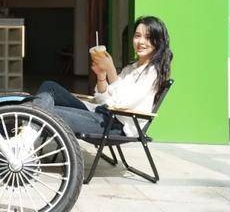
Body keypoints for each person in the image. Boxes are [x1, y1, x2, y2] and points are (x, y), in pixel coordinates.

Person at [34, 16, 173, 137]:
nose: (141, 42)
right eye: (137, 36)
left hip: (116, 125)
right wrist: (102, 76)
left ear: (158, 42)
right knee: (49, 87)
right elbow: (103, 100)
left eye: (148, 37)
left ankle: (25, 142)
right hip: (101, 114)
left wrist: (111, 70)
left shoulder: (152, 73)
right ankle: (27, 138)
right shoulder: (131, 68)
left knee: (45, 111)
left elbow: (120, 104)